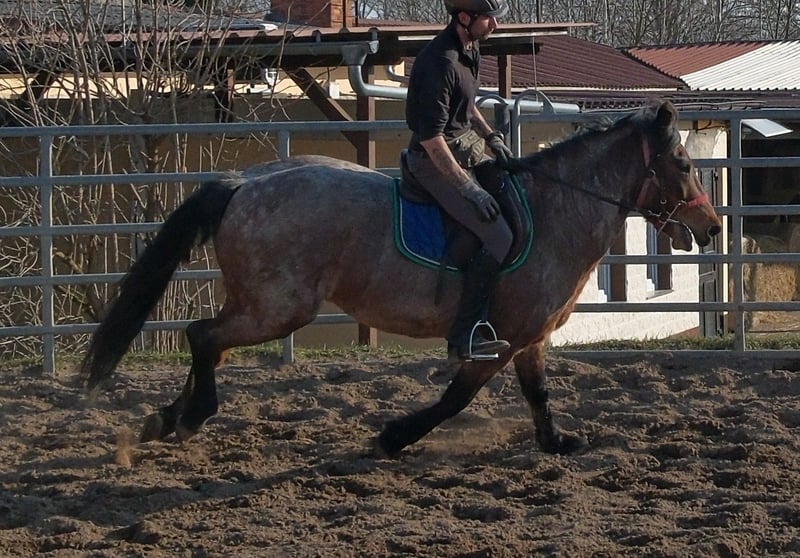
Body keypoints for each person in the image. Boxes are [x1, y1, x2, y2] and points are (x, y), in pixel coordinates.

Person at [404, 0, 514, 362]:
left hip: (465, 148)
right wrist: (469, 190)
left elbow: (466, 106)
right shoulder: (440, 62)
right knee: (499, 236)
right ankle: (464, 337)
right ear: (464, 17)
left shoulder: (470, 48)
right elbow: (431, 139)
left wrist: (491, 136)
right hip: (433, 161)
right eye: (489, 19)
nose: (495, 25)